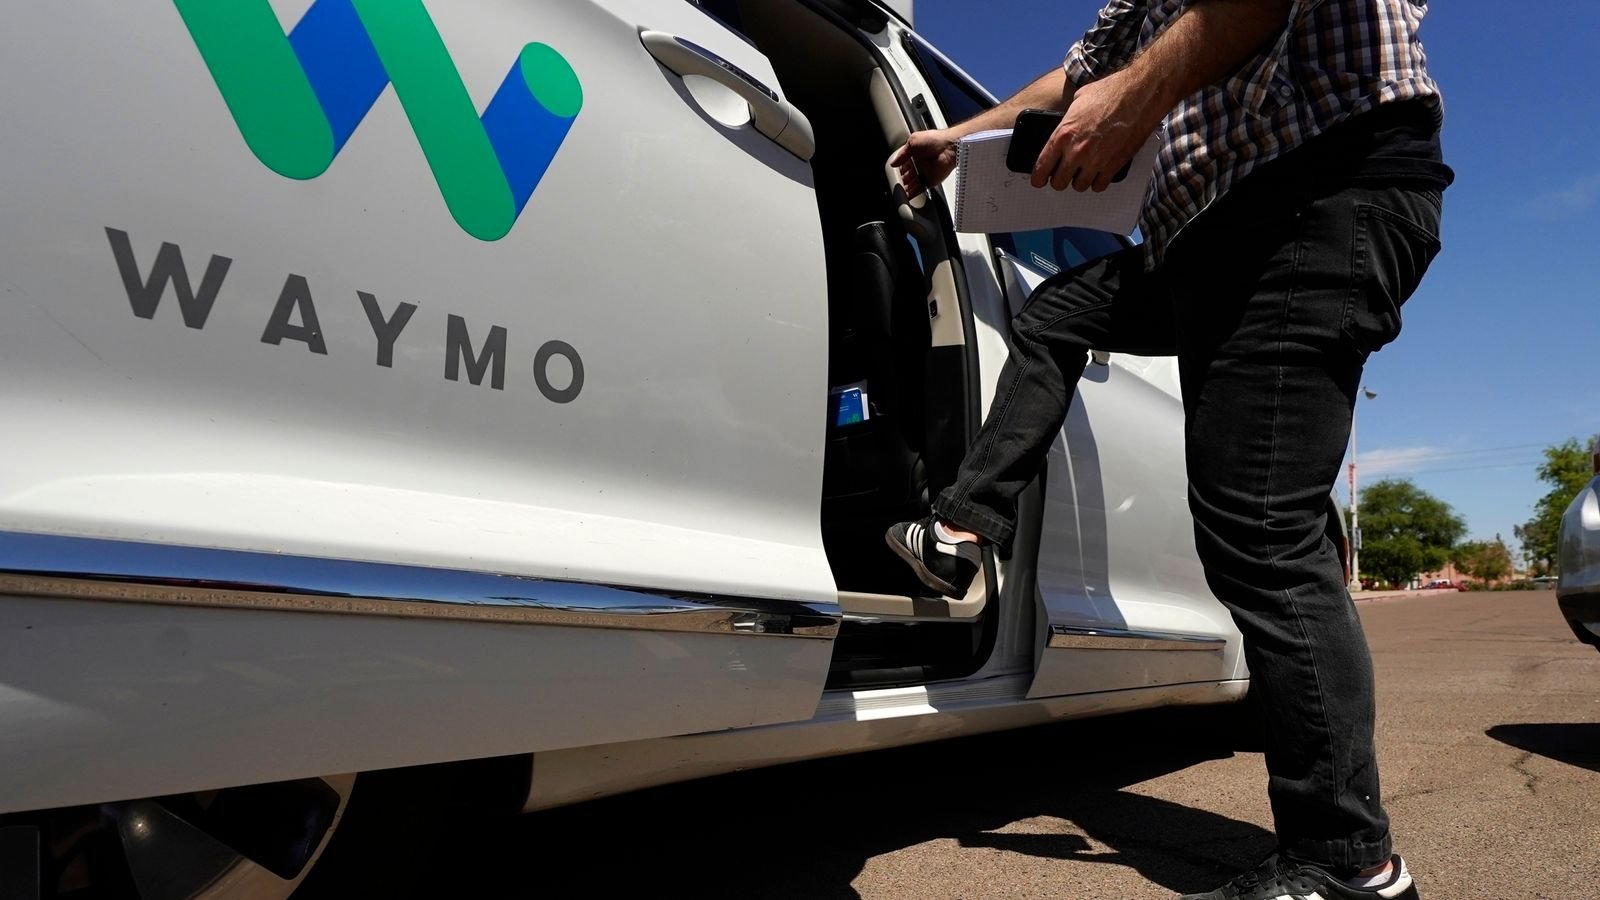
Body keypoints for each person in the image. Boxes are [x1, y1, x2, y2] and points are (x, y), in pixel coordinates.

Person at [884, 1, 1450, 898]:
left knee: (1260, 528)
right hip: (1206, 240)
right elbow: (1074, 76)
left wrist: (1135, 99)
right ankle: (965, 529)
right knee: (1059, 309)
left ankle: (1348, 862)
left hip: (1314, 187)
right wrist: (961, 136)